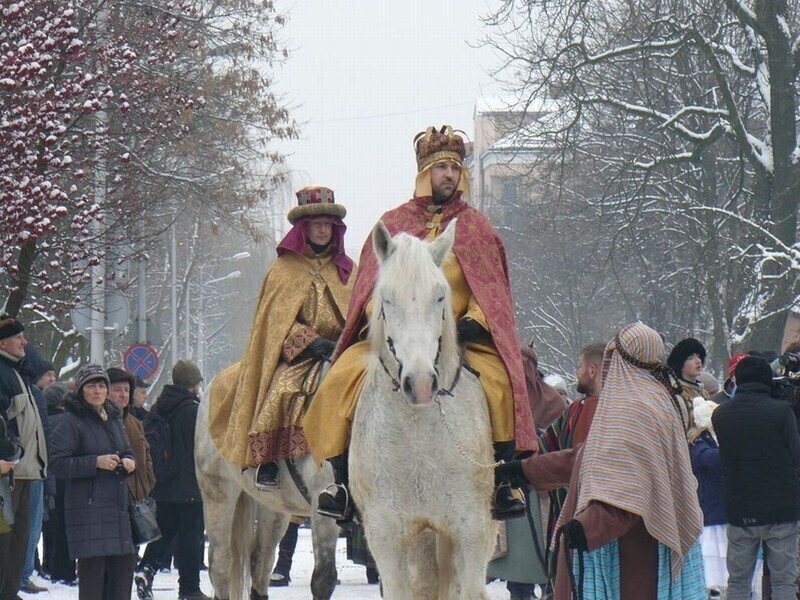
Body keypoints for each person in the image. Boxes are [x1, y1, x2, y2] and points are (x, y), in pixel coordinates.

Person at [303, 126, 538, 522]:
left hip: (461, 339)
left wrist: (475, 324)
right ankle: (342, 482)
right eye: (440, 167)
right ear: (424, 174)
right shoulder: (392, 223)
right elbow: (369, 290)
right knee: (339, 381)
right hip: (397, 337)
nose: (449, 174)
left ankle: (501, 480)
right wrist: (383, 323)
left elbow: (493, 293)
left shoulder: (477, 228)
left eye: (454, 167)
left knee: (499, 385)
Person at [501, 322, 706, 599]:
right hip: (632, 537)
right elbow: (588, 456)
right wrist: (526, 471)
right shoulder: (656, 398)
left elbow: (631, 488)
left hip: (628, 547)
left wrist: (587, 528)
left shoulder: (635, 407)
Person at [210, 185, 355, 490]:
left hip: (343, 351)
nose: (322, 230)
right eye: (316, 224)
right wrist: (309, 340)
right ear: (304, 228)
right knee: (284, 387)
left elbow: (359, 309)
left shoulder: (347, 270)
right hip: (305, 355)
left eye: (327, 224)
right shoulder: (284, 269)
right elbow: (274, 320)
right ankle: (268, 460)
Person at [712, 356, 800, 600]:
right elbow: (795, 456)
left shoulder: (720, 414)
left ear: (737, 379)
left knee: (739, 582)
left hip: (740, 508)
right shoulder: (782, 411)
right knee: (783, 582)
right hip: (781, 508)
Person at [49, 364, 137, 600]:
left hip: (117, 509)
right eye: (91, 385)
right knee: (93, 578)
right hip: (87, 510)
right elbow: (57, 463)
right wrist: (94, 462)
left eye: (101, 385)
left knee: (122, 575)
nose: (97, 391)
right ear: (81, 390)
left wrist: (129, 461)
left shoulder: (114, 418)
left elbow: (127, 450)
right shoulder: (70, 421)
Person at [135, 360, 210, 600]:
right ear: (194, 384)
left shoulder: (159, 405)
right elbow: (202, 448)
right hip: (190, 484)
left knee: (165, 532)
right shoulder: (194, 410)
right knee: (191, 538)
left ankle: (147, 568)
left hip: (164, 483)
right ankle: (189, 589)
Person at [538, 342, 606, 586]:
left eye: (579, 366)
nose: (577, 373)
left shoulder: (606, 410)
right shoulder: (576, 408)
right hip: (574, 516)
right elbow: (545, 446)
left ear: (592, 370)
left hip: (589, 521)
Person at [0, 316, 47, 600]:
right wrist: (9, 452)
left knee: (19, 541)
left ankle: (10, 590)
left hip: (26, 472)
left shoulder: (17, 371)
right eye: (19, 337)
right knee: (5, 540)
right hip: (8, 473)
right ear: (3, 342)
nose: (25, 342)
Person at [18, 345, 56, 594]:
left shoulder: (30, 391)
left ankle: (22, 575)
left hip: (31, 468)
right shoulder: (32, 393)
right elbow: (44, 435)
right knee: (28, 528)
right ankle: (21, 576)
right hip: (30, 469)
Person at [40, 382, 76, 584]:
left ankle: (49, 565)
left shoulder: (44, 421)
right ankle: (65, 571)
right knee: (65, 527)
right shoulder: (67, 421)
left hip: (47, 477)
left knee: (50, 527)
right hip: (64, 478)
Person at [106, 369, 155, 509]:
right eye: (117, 390)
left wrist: (148, 481)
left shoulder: (134, 422)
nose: (123, 395)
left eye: (127, 390)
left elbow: (146, 454)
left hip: (138, 499)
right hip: (111, 500)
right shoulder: (98, 422)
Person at [667, 337, 709, 432]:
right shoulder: (678, 394)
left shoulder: (703, 393)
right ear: (680, 365)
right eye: (690, 358)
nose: (698, 361)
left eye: (698, 356)